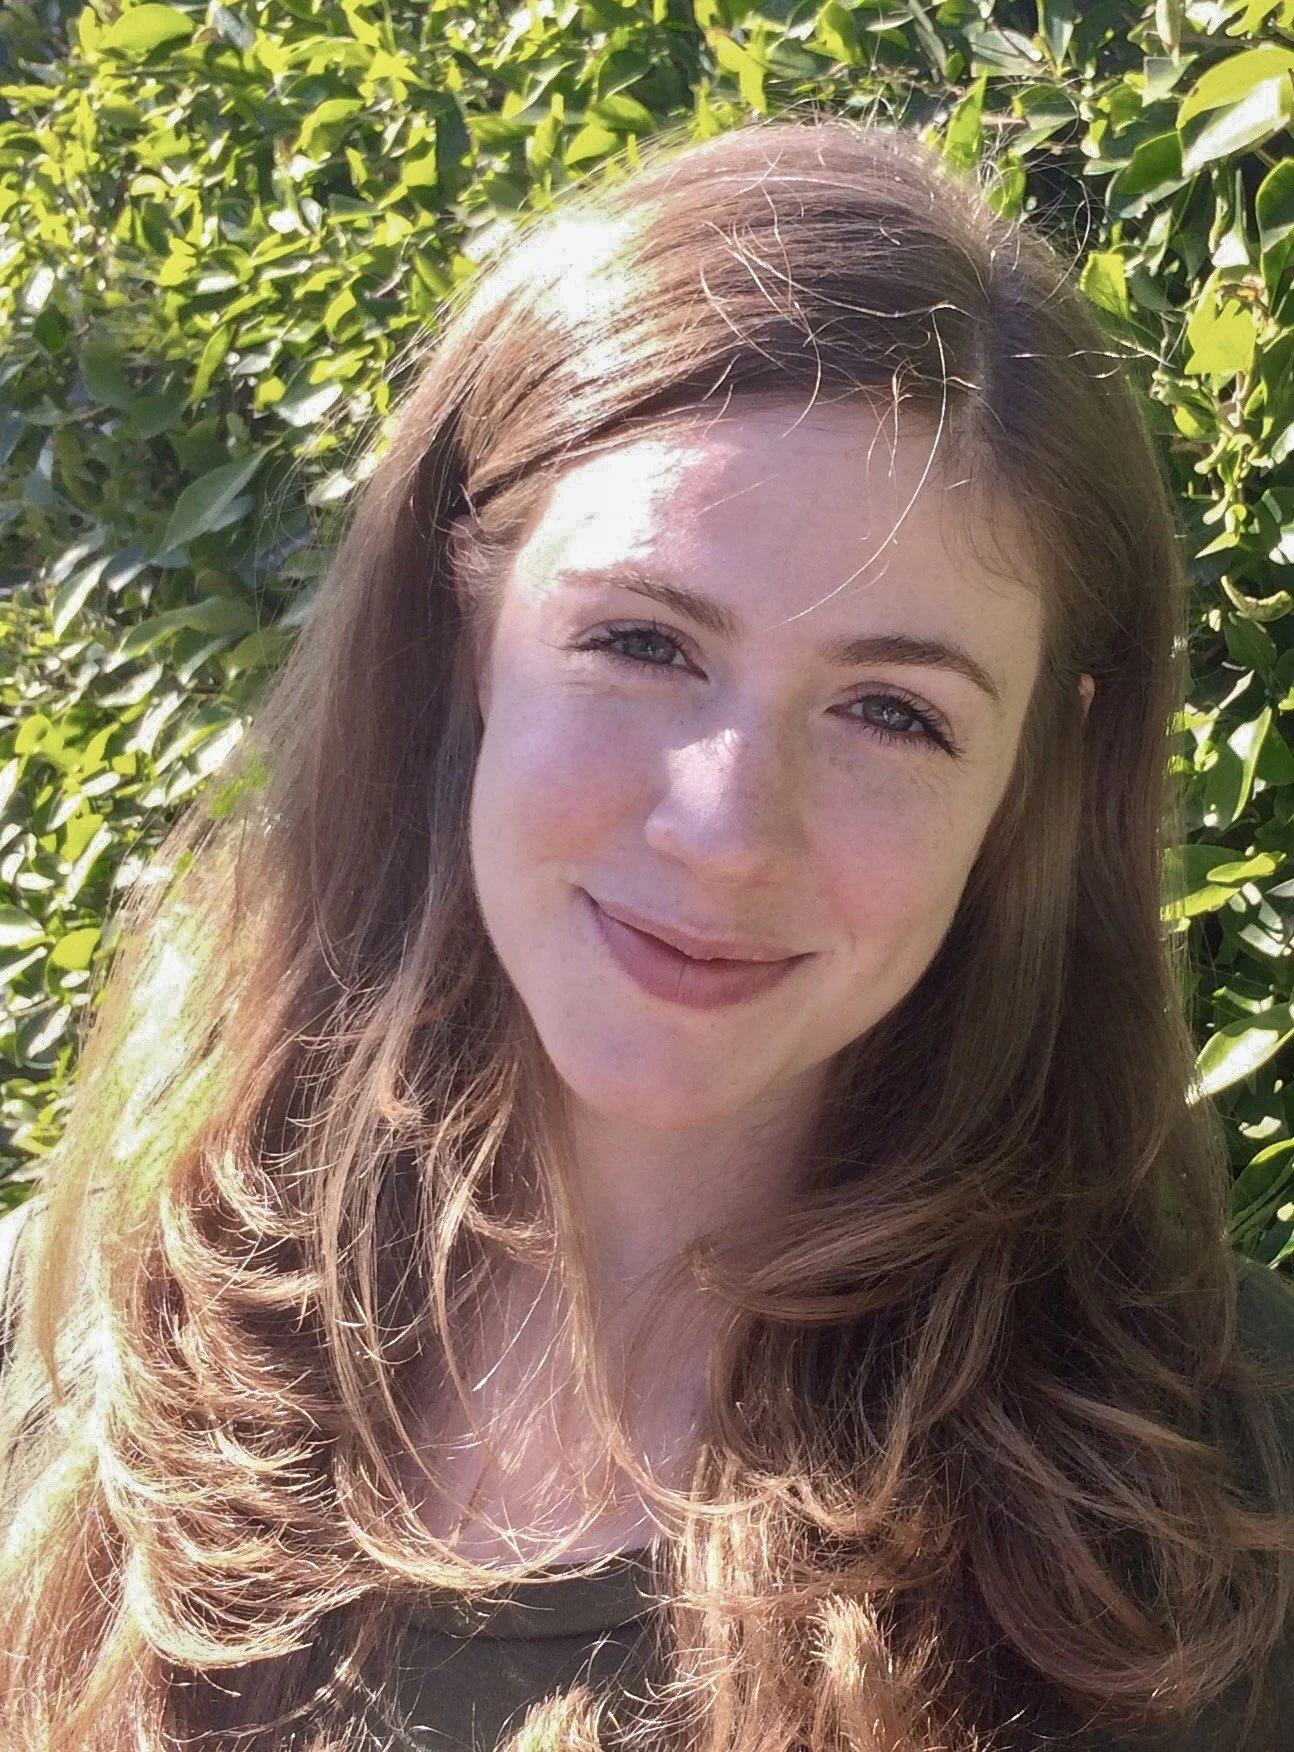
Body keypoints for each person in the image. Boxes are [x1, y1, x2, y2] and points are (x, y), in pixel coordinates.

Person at [0, 111, 1291, 1752]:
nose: (725, 828)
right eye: (641, 641)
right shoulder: (68, 1347)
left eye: (891, 713)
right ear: (470, 630)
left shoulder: (1219, 1509)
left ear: (1035, 767)